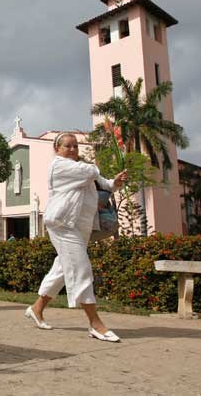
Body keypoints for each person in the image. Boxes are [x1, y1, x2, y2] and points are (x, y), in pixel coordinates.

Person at [26, 133, 127, 342]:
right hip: (63, 223)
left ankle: (37, 309)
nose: (73, 150)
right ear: (57, 149)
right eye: (68, 146)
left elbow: (106, 184)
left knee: (63, 269)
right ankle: (95, 324)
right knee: (81, 268)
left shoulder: (81, 168)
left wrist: (115, 182)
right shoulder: (59, 166)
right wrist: (95, 169)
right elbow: (91, 172)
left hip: (81, 226)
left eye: (75, 146)